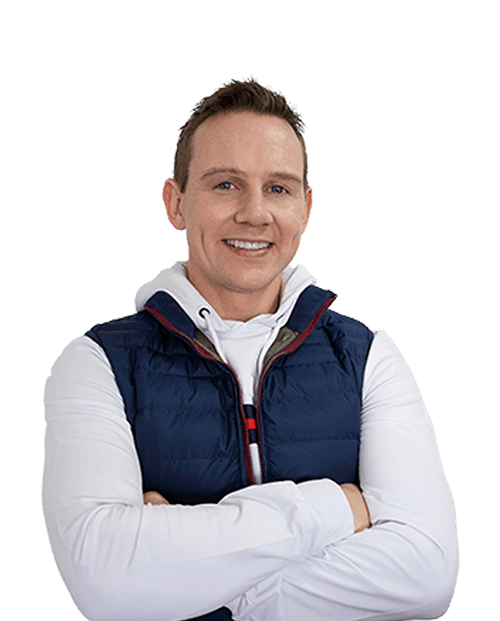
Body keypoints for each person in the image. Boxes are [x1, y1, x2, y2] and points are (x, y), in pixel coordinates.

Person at [42, 78, 459, 621]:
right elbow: (102, 581)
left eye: (278, 188)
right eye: (225, 184)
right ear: (175, 203)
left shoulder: (368, 359)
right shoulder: (96, 363)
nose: (255, 213)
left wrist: (192, 581)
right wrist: (338, 508)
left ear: (306, 208)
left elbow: (425, 577)